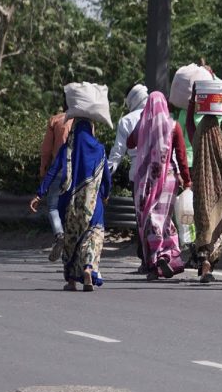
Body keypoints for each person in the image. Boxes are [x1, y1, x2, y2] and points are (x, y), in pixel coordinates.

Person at [30, 118, 111, 292]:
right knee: (92, 239)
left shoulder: (67, 150)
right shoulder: (100, 149)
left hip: (70, 204)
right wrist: (105, 194)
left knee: (71, 240)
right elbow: (106, 177)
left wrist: (39, 193)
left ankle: (72, 281)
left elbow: (52, 171)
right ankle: (89, 268)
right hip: (93, 204)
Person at [127, 91, 191, 280]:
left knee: (149, 219)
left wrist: (142, 123)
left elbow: (130, 143)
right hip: (168, 178)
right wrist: (187, 180)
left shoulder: (143, 125)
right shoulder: (173, 126)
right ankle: (167, 255)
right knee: (164, 219)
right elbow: (181, 156)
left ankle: (155, 259)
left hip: (145, 179)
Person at [185, 91, 222, 285]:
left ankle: (203, 260)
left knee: (204, 226)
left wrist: (193, 100)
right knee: (216, 228)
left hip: (201, 193)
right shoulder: (221, 141)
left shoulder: (197, 138)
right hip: (220, 193)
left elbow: (190, 124)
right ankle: (209, 264)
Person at [108, 84, 149, 271]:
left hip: (138, 173)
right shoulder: (163, 117)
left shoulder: (127, 120)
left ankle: (145, 258)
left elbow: (117, 153)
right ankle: (162, 254)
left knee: (141, 217)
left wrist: (106, 173)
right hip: (163, 173)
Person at [39, 98, 73, 262]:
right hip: (78, 171)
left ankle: (59, 234)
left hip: (58, 168)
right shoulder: (87, 123)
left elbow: (46, 149)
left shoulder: (55, 120)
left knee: (53, 206)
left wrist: (43, 168)